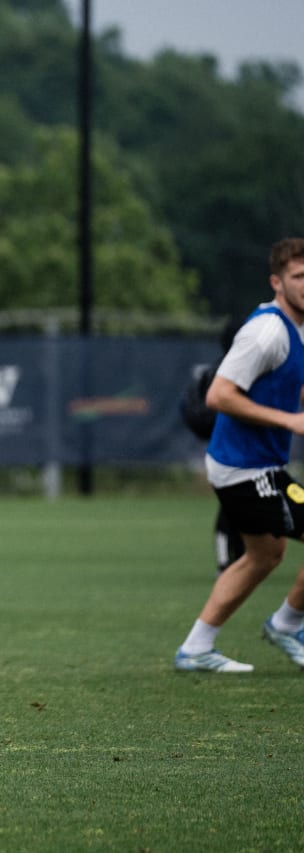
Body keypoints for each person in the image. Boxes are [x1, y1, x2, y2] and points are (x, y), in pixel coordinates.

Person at [175, 237, 304, 674]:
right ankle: (287, 625)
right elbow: (219, 395)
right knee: (264, 555)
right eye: (299, 277)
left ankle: (195, 649)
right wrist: (290, 421)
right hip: (245, 469)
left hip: (257, 466)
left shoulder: (298, 328)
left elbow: (286, 384)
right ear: (277, 282)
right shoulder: (265, 332)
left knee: (263, 555)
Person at [178, 318, 244, 574]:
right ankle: (227, 559)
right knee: (231, 501)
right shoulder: (229, 372)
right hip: (229, 448)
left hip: (232, 446)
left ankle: (237, 557)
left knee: (237, 501)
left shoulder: (229, 367)